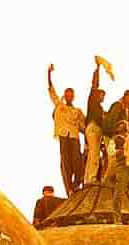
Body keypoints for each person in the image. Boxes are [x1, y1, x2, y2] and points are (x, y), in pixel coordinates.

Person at [47, 64, 86, 196]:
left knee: (77, 160)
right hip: (64, 135)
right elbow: (52, 91)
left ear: (73, 97)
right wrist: (49, 74)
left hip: (74, 136)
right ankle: (69, 188)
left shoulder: (77, 111)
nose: (69, 97)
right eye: (67, 95)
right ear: (65, 96)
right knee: (65, 163)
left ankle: (76, 184)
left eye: (71, 95)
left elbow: (84, 126)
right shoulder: (59, 106)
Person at [84, 62, 107, 185]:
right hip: (93, 128)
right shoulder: (93, 103)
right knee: (94, 154)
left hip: (95, 129)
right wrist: (97, 69)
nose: (103, 97)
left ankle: (88, 178)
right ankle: (92, 178)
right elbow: (94, 85)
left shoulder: (100, 108)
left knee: (92, 155)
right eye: (101, 95)